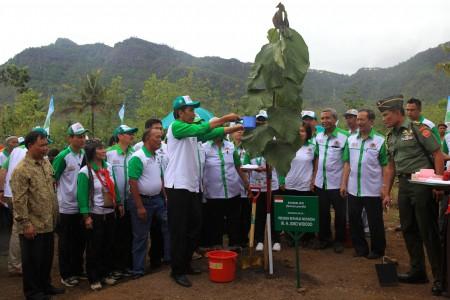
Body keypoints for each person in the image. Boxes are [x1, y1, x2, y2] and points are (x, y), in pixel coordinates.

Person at [164, 95, 242, 287]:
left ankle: (185, 263)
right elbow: (203, 128)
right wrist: (225, 118)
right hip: (177, 187)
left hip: (192, 187)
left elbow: (209, 133)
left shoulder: (191, 133)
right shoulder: (176, 127)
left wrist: (236, 128)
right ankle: (177, 270)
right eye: (190, 110)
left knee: (194, 228)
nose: (194, 112)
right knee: (179, 230)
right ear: (180, 112)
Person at [378, 95, 443, 296]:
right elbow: (390, 166)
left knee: (428, 231)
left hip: (423, 184)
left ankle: (441, 278)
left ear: (398, 112)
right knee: (408, 228)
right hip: (404, 184)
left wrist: (438, 184)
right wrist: (386, 191)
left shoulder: (417, 128)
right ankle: (418, 271)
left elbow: (437, 154)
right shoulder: (390, 136)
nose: (384, 119)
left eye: (386, 115)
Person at [11, 128, 65, 300]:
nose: (45, 148)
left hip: (48, 221)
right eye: (41, 145)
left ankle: (45, 285)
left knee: (46, 259)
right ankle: (33, 292)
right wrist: (26, 223)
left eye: (46, 145)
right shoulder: (21, 170)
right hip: (32, 224)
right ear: (30, 145)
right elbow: (19, 200)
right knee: (32, 261)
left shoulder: (45, 163)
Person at [77, 138, 123, 291]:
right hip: (95, 214)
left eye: (104, 148)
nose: (104, 151)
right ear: (92, 152)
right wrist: (86, 216)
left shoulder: (108, 167)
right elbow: (82, 196)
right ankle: (94, 277)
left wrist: (120, 203)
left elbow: (114, 187)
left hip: (110, 212)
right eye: (100, 149)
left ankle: (106, 273)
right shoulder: (85, 172)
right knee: (94, 247)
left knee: (109, 244)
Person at [340, 109, 387, 259]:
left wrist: (385, 188)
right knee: (354, 219)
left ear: (371, 122)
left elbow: (386, 166)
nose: (358, 122)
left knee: (375, 222)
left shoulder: (380, 141)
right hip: (354, 189)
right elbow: (347, 163)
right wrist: (343, 184)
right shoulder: (351, 139)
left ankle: (377, 250)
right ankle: (360, 249)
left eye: (362, 120)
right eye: (358, 120)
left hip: (373, 189)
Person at [128, 127, 170, 279]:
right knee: (141, 236)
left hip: (157, 199)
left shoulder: (157, 155)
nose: (160, 140)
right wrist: (139, 206)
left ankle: (168, 258)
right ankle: (138, 270)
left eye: (161, 137)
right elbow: (132, 182)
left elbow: (160, 177)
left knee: (168, 226)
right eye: (157, 137)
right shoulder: (138, 157)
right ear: (147, 139)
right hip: (142, 200)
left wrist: (165, 197)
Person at [52, 122, 88, 287]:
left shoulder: (84, 154)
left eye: (83, 136)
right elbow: (53, 179)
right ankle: (66, 274)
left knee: (80, 241)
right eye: (79, 136)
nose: (82, 139)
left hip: (82, 206)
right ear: (70, 138)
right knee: (66, 242)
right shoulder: (63, 156)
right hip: (66, 207)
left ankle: (78, 269)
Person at [312, 108, 349, 253]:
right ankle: (324, 239)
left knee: (340, 214)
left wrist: (344, 183)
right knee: (322, 213)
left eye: (328, 118)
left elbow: (347, 162)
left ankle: (339, 241)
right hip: (321, 182)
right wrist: (314, 178)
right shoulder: (318, 136)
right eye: (322, 118)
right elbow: (316, 158)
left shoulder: (345, 136)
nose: (324, 121)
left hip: (337, 183)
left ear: (335, 119)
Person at [202, 134, 249, 249]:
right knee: (215, 221)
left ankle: (234, 244)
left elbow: (238, 166)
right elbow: (200, 168)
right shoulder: (204, 148)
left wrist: (247, 183)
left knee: (234, 219)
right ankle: (216, 245)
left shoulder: (231, 146)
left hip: (233, 190)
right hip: (214, 193)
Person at [244, 110, 281, 252]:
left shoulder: (274, 143)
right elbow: (245, 164)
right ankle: (259, 240)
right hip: (257, 186)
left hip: (273, 185)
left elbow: (280, 162)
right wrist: (254, 168)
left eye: (263, 121)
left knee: (274, 214)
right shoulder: (251, 144)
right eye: (258, 121)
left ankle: (276, 240)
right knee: (258, 215)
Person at [107, 124, 138, 279]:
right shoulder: (109, 153)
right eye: (128, 133)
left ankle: (126, 265)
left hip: (130, 200)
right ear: (119, 136)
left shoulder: (135, 153)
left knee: (128, 234)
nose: (131, 136)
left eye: (132, 133)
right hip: (114, 202)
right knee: (115, 235)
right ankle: (115, 267)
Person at [279, 123, 316, 246]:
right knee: (290, 212)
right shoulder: (287, 146)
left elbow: (316, 166)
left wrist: (313, 180)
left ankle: (307, 238)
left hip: (305, 184)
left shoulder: (313, 147)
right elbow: (281, 164)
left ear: (308, 134)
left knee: (305, 212)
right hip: (289, 183)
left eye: (303, 131)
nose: (300, 133)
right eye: (298, 131)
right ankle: (291, 238)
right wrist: (282, 180)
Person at [229, 127, 251, 247]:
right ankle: (236, 239)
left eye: (242, 130)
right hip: (233, 187)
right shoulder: (228, 148)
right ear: (231, 133)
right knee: (236, 215)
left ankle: (245, 238)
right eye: (237, 130)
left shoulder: (249, 148)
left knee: (246, 215)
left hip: (247, 186)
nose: (240, 133)